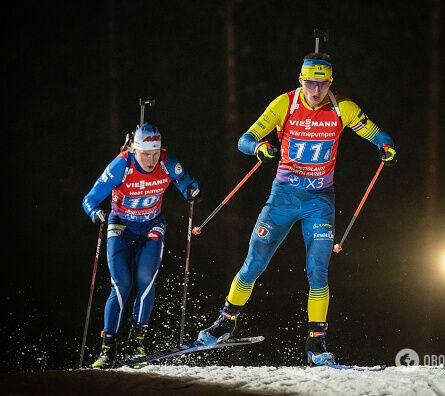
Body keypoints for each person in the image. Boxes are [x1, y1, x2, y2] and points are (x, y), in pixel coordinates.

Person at [194, 52, 397, 366]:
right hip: (283, 199)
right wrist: (259, 147)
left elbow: (377, 134)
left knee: (318, 271)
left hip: (319, 202)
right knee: (254, 263)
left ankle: (316, 343)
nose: (316, 90)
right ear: (300, 80)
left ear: (330, 82)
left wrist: (385, 145)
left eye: (323, 83)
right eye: (310, 83)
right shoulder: (284, 104)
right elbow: (244, 140)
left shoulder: (342, 107)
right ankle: (226, 322)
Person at [82, 123, 201, 369]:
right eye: (145, 154)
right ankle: (107, 350)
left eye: (155, 154)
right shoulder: (121, 165)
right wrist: (95, 213)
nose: (151, 160)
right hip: (121, 226)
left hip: (151, 226)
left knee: (146, 279)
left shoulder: (167, 162)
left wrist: (192, 191)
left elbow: (186, 182)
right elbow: (89, 199)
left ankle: (138, 343)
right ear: (135, 150)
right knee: (121, 284)